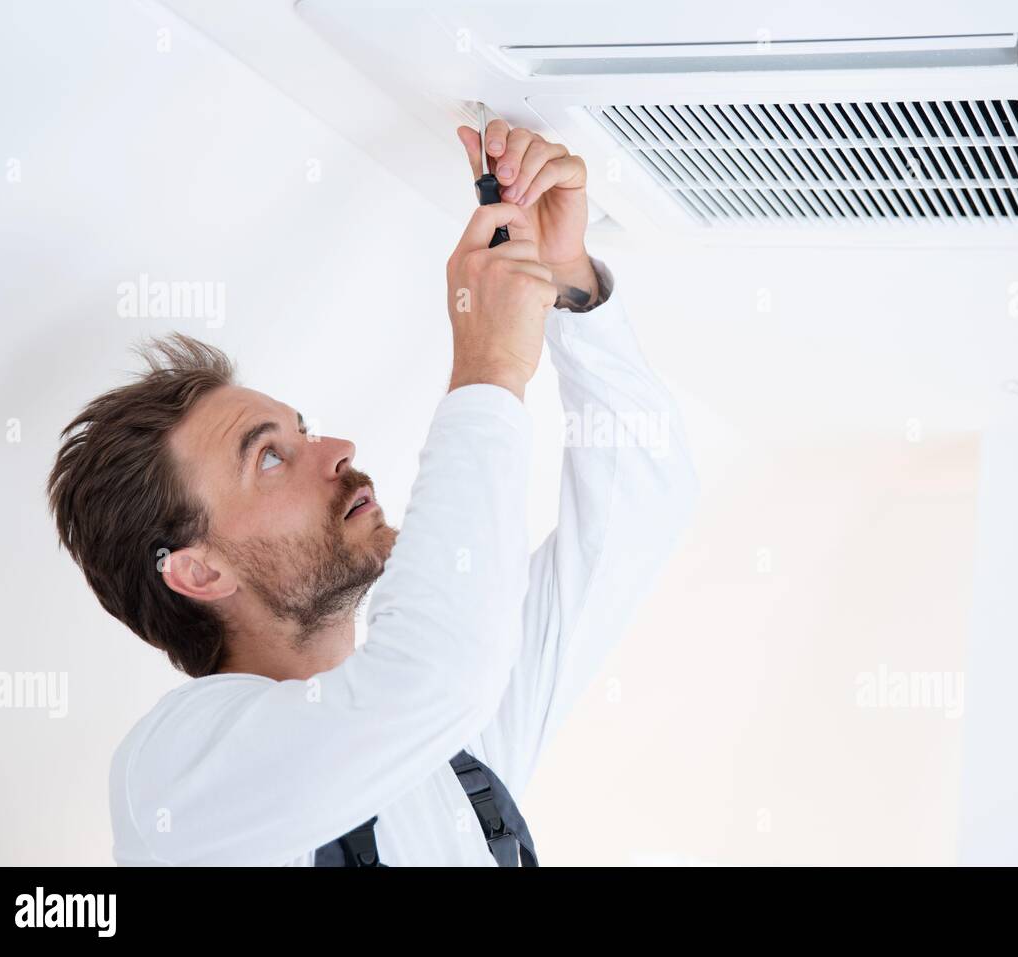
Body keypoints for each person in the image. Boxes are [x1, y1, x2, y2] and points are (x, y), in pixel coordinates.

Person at [45, 121, 698, 865]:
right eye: (269, 457)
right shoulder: (175, 775)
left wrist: (566, 283)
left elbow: (641, 506)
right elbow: (434, 672)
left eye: (304, 429)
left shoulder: (450, 752)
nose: (337, 450)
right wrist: (487, 366)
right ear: (199, 569)